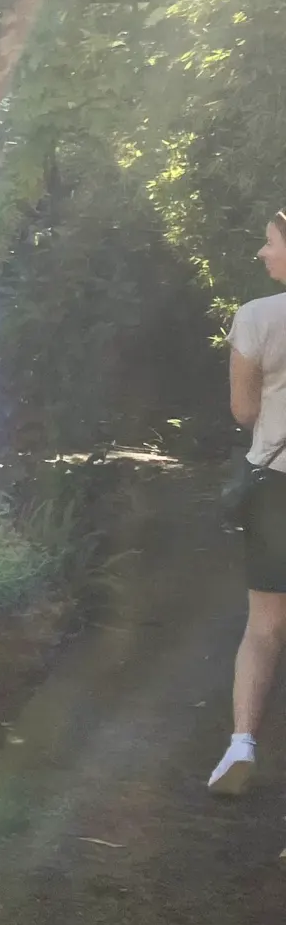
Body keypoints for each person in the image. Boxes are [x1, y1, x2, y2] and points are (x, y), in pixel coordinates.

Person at [208, 209, 286, 796]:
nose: (262, 253)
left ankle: (241, 746)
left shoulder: (259, 316)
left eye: (270, 242)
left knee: (264, 626)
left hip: (277, 486)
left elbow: (244, 412)